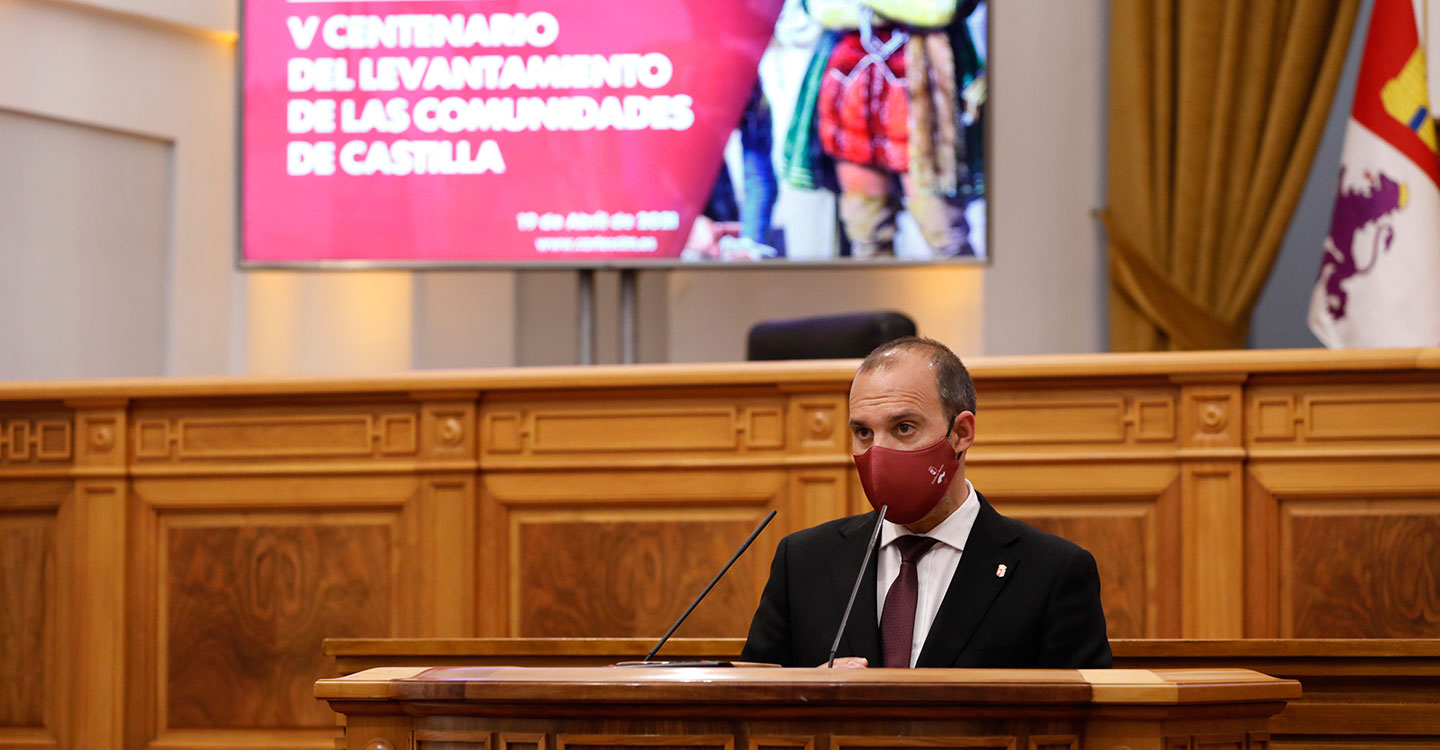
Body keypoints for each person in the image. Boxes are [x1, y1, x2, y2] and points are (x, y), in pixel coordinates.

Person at [740, 337, 1111, 668]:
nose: (878, 452)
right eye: (863, 432)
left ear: (961, 433)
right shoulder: (803, 562)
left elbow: (1085, 726)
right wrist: (804, 695)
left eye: (903, 428)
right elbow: (752, 705)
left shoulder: (1051, 571)